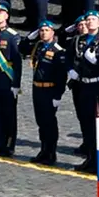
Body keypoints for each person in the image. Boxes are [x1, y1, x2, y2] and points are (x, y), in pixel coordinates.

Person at [67, 11, 99, 172]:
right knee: (86, 123)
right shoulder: (81, 40)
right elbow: (70, 56)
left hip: (97, 85)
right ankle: (90, 157)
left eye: (93, 19)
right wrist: (71, 70)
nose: (90, 22)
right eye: (88, 19)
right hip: (83, 84)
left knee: (97, 124)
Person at [21, 20, 66, 165]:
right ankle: (43, 150)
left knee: (49, 123)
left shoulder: (58, 51)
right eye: (41, 30)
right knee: (40, 122)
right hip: (37, 88)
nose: (43, 32)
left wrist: (57, 95)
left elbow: (61, 76)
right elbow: (21, 48)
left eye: (47, 30)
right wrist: (29, 37)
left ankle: (51, 152)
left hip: (49, 89)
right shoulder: (38, 46)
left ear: (53, 32)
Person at [0, 1, 22, 157]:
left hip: (7, 80)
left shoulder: (13, 36)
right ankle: (0, 143)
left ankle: (9, 145)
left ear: (7, 15)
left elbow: (18, 62)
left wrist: (16, 84)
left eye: (1, 12)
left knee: (9, 115)